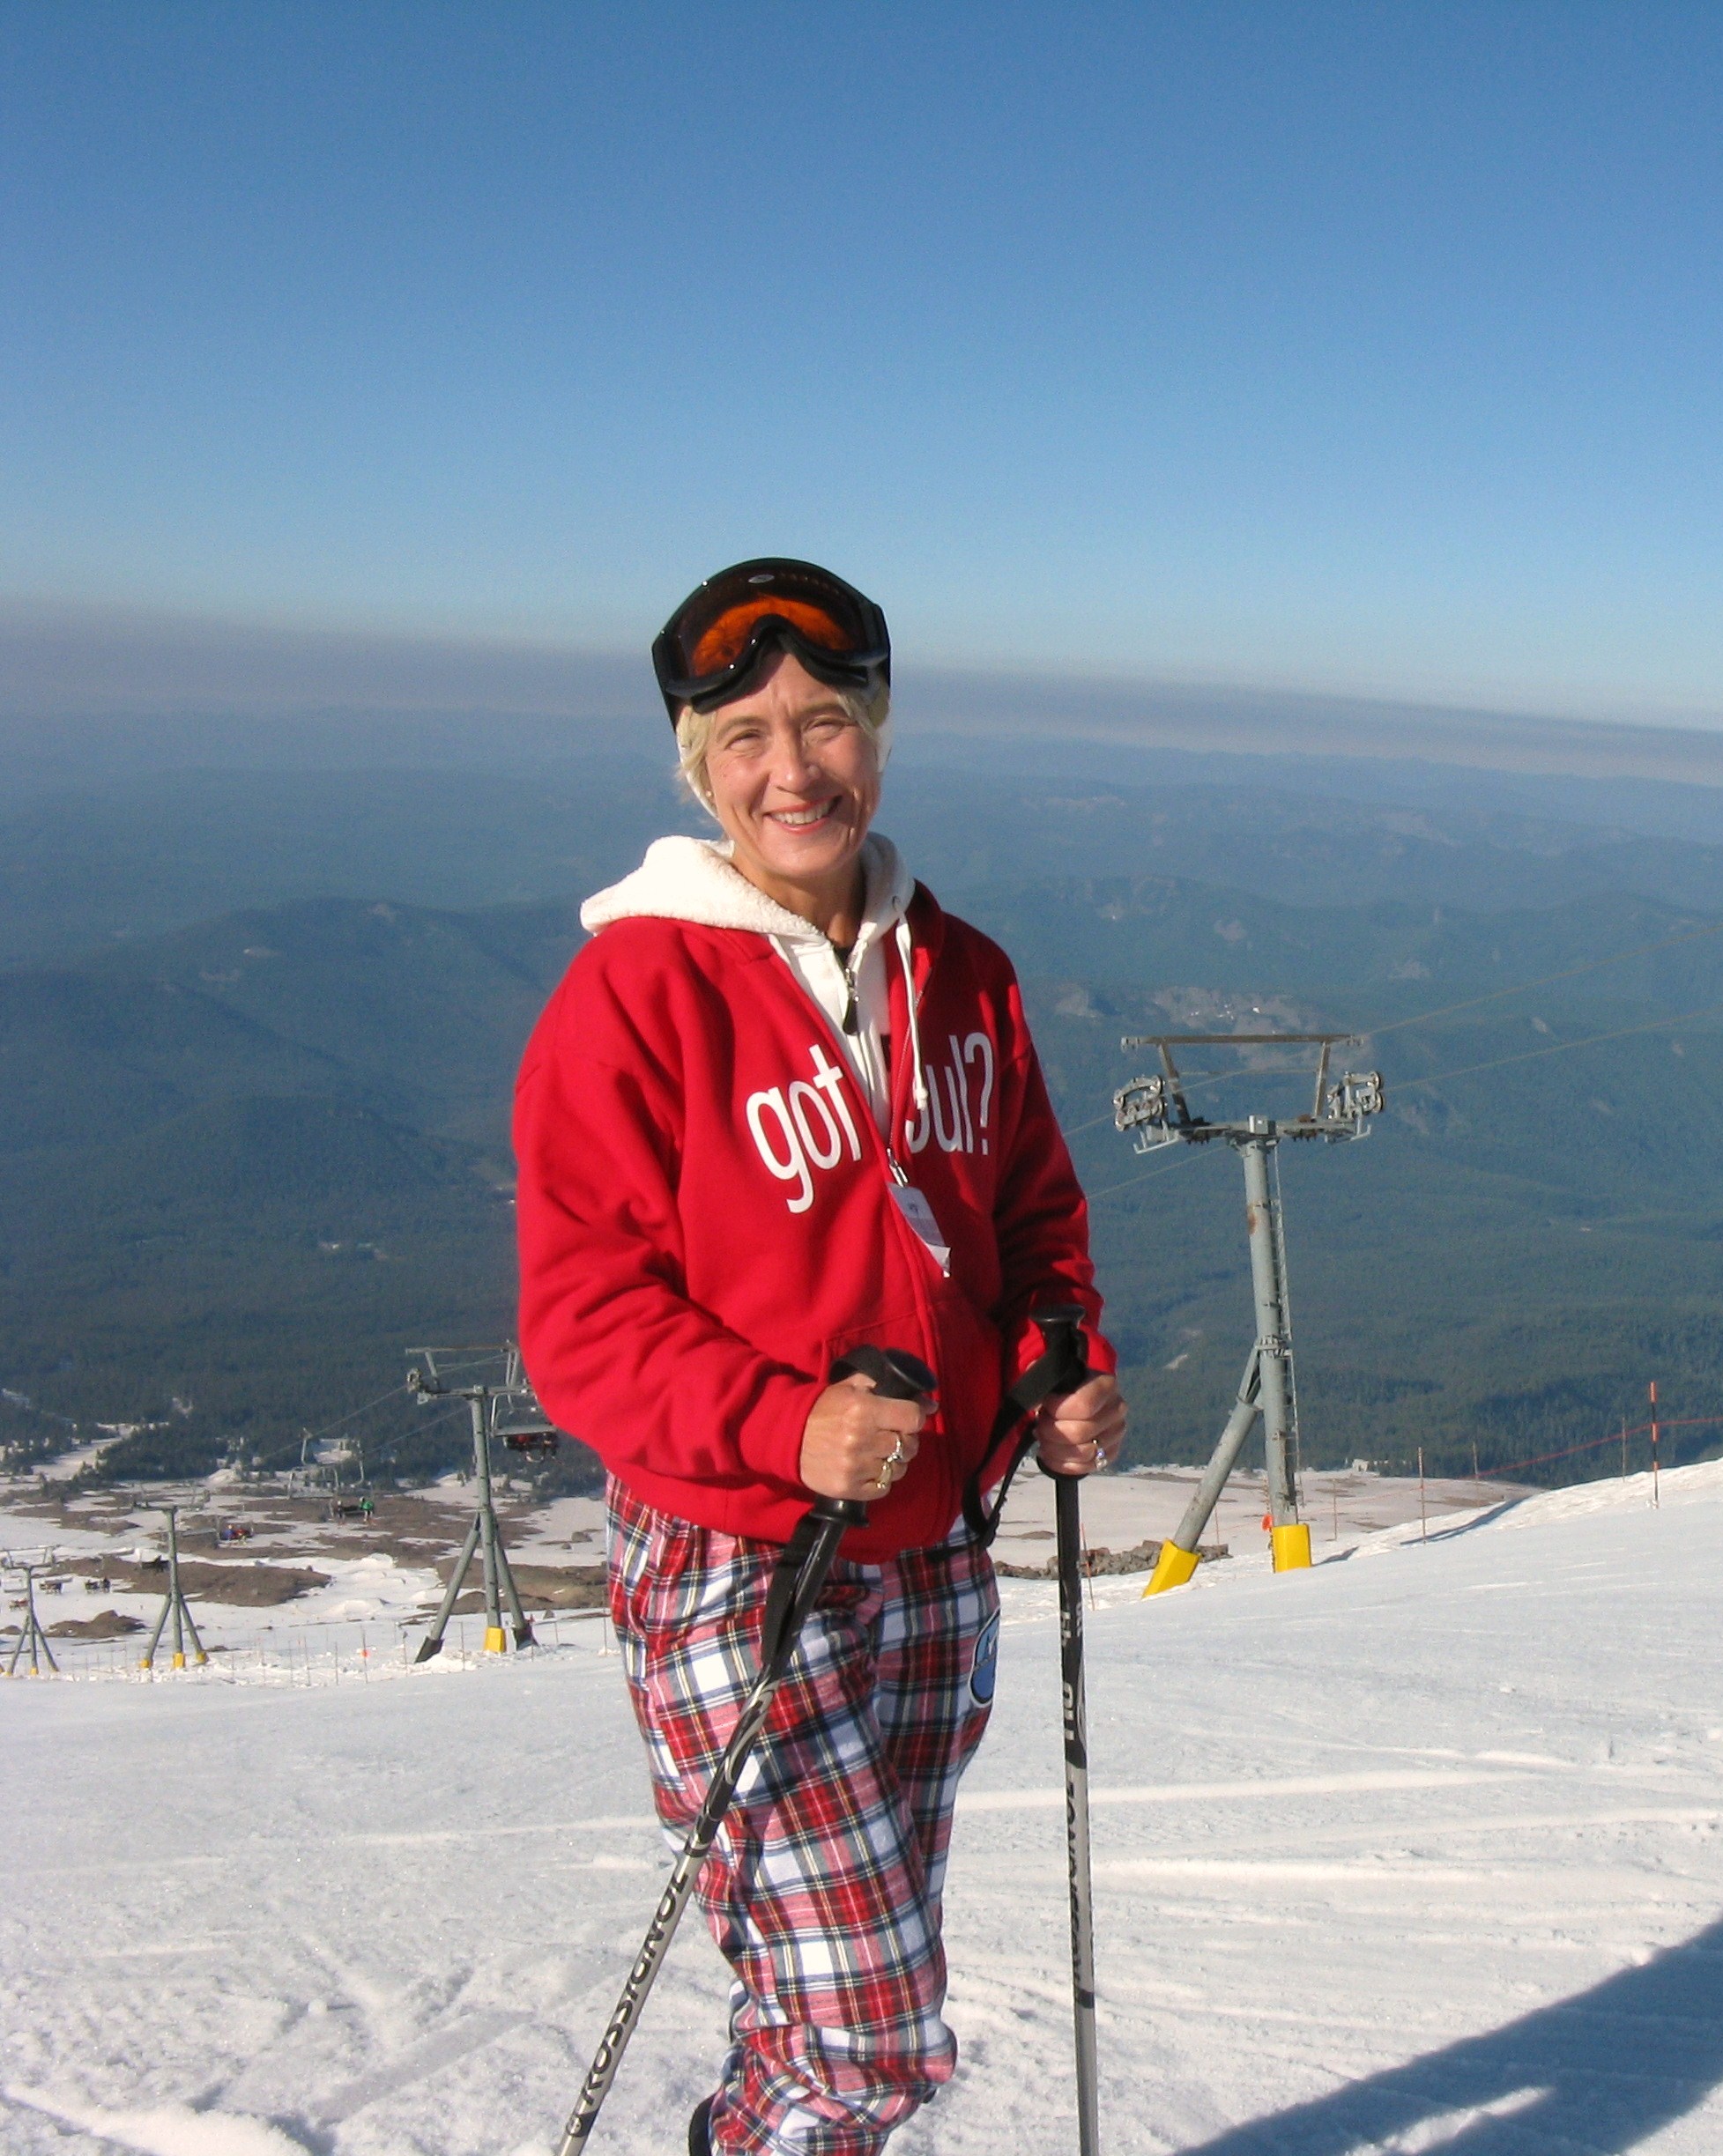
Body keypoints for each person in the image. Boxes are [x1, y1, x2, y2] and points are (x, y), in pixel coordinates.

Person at [513, 559, 1126, 2156]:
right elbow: (580, 1323)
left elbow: (1032, 1212)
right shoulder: (632, 995)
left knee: (831, 1986)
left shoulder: (962, 972)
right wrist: (784, 1429)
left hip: (934, 1557)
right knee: (868, 2021)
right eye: (747, 735)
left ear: (880, 734)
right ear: (696, 767)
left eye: (829, 722)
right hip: (737, 1562)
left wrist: (1057, 1351)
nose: (794, 768)